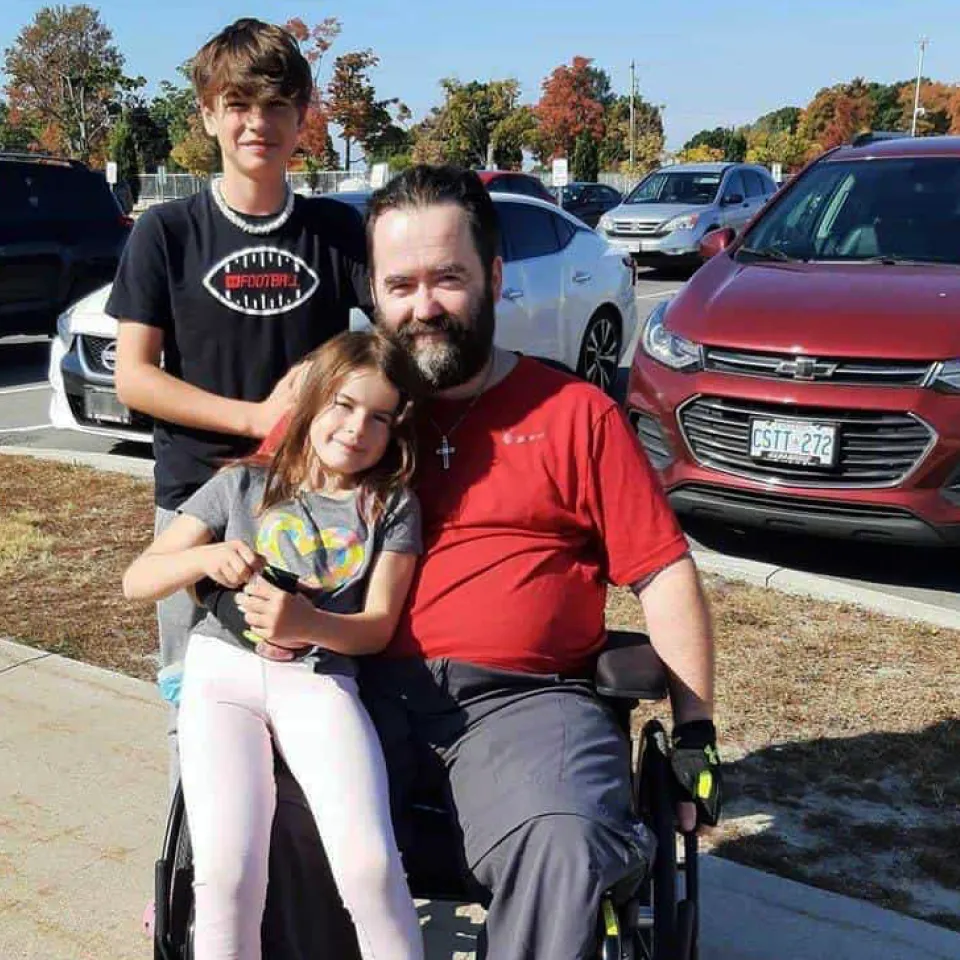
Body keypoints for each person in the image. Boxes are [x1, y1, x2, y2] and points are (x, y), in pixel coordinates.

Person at [257, 165, 720, 959]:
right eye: (401, 285)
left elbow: (663, 572)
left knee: (565, 842)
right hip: (348, 689)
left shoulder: (576, 415)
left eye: (448, 278)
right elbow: (243, 506)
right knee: (263, 812)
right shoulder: (343, 411)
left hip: (525, 705)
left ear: (495, 279)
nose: (424, 306)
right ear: (376, 294)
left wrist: (696, 730)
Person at [106, 18, 371, 780]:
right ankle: (194, 856)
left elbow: (391, 351)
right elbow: (135, 377)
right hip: (197, 506)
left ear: (303, 116)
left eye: (277, 104)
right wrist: (254, 420)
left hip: (315, 505)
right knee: (195, 705)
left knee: (317, 698)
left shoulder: (336, 230)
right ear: (207, 115)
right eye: (238, 104)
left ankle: (297, 857)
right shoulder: (165, 232)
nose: (258, 122)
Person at [123, 331, 425, 960]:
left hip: (317, 678)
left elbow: (377, 626)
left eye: (379, 417)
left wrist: (305, 623)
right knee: (227, 874)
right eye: (344, 405)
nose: (356, 429)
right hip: (222, 674)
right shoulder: (241, 484)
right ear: (313, 400)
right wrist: (205, 557)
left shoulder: (391, 506)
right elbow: (138, 580)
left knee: (369, 866)